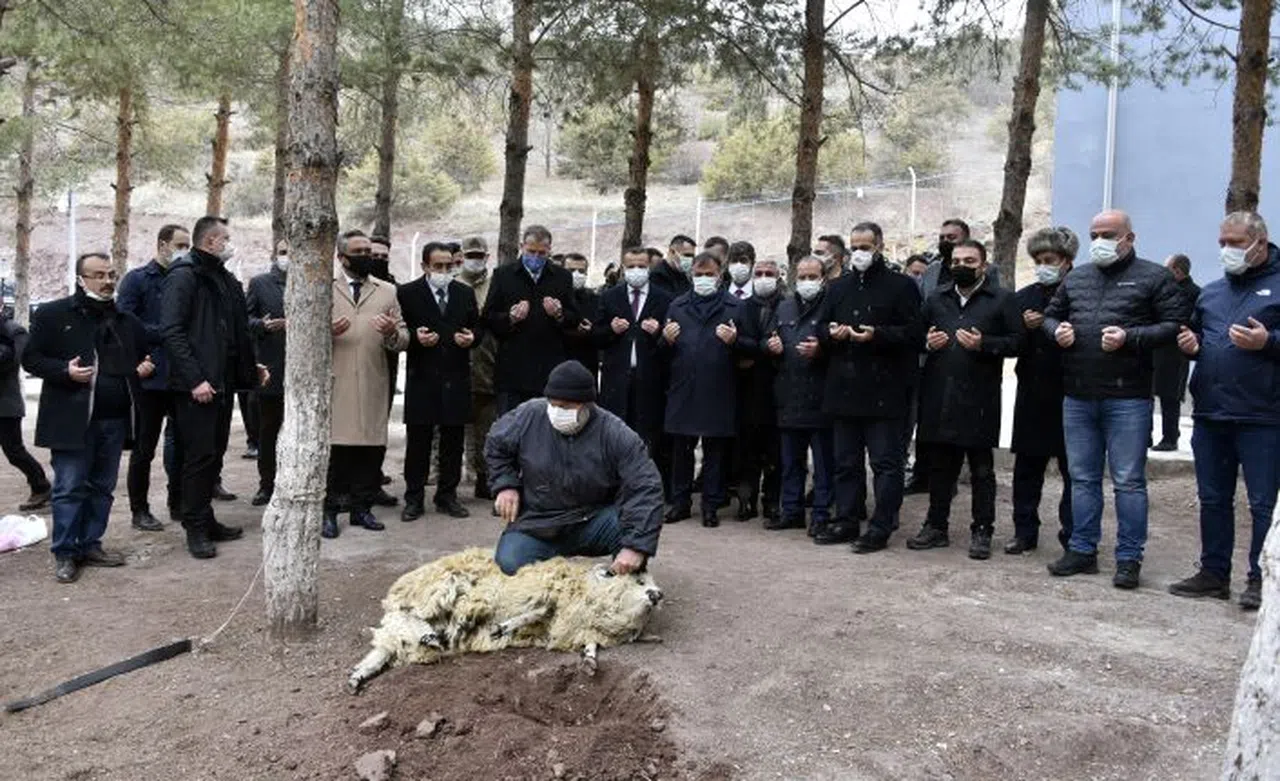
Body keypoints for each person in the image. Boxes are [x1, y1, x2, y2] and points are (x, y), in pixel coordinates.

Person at [1042, 209, 1183, 589]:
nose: (1100, 241)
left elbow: (1174, 325)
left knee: (1128, 481)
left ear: (1129, 238)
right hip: (1078, 395)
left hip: (1128, 398)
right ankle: (1083, 549)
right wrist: (1059, 331)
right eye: (1095, 234)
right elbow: (1049, 317)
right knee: (1083, 478)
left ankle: (1128, 558)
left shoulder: (1155, 277)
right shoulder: (1078, 278)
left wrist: (1130, 337)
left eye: (1108, 234)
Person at [1169, 212, 1280, 611]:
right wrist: (1191, 343)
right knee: (1213, 497)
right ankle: (1214, 573)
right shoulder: (1212, 292)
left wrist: (1268, 342)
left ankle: (1261, 579)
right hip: (1211, 413)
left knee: (1264, 503)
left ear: (1260, 244)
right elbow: (1199, 334)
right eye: (1222, 243)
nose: (1226, 251)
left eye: (1234, 243)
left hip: (1264, 415)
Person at [24, 252, 153, 583]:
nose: (108, 280)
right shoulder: (53, 314)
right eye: (98, 275)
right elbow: (31, 359)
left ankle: (90, 544)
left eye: (111, 274)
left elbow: (150, 346)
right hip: (71, 420)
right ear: (81, 279)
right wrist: (63, 371)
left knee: (102, 487)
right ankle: (66, 553)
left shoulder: (125, 320)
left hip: (114, 421)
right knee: (69, 487)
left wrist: (144, 365)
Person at [488, 360, 663, 576]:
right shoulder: (529, 415)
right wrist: (505, 484)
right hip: (538, 521)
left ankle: (625, 572)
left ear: (587, 404)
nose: (558, 412)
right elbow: (496, 444)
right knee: (509, 564)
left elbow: (646, 485)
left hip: (593, 519)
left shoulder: (615, 433)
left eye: (567, 407)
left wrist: (636, 547)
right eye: (553, 404)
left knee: (629, 530)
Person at [906, 239, 1023, 560]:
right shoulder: (936, 298)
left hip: (979, 399)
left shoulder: (1001, 300)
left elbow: (1017, 342)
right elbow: (914, 336)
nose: (961, 266)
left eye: (969, 261)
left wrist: (984, 344)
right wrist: (927, 342)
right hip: (939, 395)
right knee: (940, 468)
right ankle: (936, 526)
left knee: (981, 470)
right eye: (956, 261)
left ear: (983, 265)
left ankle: (982, 530)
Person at [162, 217, 267, 559]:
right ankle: (195, 527)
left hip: (222, 386)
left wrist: (251, 371)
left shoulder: (224, 280)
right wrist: (195, 379)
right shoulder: (184, 276)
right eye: (226, 238)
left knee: (214, 455)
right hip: (197, 387)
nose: (230, 244)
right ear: (209, 241)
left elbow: (236, 334)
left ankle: (206, 518)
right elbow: (173, 332)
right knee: (198, 457)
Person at [817, 222, 924, 553]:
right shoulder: (837, 288)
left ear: (879, 247)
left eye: (866, 246)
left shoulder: (901, 286)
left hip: (884, 390)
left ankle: (881, 525)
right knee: (846, 462)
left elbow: (913, 333)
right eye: (854, 247)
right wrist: (830, 333)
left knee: (885, 463)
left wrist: (876, 335)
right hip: (844, 388)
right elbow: (820, 326)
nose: (859, 253)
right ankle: (847, 519)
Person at [323, 230, 409, 539]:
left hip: (374, 380)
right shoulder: (324, 289)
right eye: (359, 251)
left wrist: (390, 332)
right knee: (338, 451)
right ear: (342, 258)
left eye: (369, 251)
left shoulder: (387, 291)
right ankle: (330, 511)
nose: (367, 257)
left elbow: (403, 339)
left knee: (370, 450)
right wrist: (326, 331)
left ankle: (362, 509)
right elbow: (303, 338)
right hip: (337, 380)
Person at [662, 252, 757, 527]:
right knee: (682, 449)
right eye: (699, 274)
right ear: (691, 275)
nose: (704, 279)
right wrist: (665, 340)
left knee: (715, 450)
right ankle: (679, 503)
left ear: (719, 275)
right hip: (683, 388)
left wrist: (736, 340)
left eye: (709, 274)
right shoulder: (677, 305)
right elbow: (662, 354)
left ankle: (710, 505)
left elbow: (753, 347)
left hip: (719, 387)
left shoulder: (735, 307)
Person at [1007, 227, 1077, 554]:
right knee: (1027, 470)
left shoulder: (1083, 291)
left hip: (1073, 394)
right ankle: (1024, 532)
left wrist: (1051, 325)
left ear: (1066, 260)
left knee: (1074, 473)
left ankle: (1074, 536)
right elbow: (1010, 343)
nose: (1042, 265)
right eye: (1037, 260)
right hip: (1032, 393)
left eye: (1048, 259)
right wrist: (1024, 327)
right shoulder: (1025, 296)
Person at [399, 241, 479, 521]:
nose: (444, 271)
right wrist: (415, 338)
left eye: (449, 266)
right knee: (418, 441)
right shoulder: (408, 293)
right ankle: (414, 498)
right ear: (425, 266)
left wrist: (471, 339)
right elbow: (399, 331)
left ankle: (447, 495)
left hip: (456, 376)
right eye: (438, 266)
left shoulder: (464, 293)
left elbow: (476, 327)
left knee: (452, 441)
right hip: (422, 376)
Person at [116, 224, 187, 530]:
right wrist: (169, 336)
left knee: (181, 443)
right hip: (149, 375)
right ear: (162, 244)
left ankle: (177, 501)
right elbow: (125, 325)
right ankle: (139, 510)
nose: (184, 251)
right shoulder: (137, 280)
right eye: (179, 245)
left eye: (187, 246)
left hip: (182, 375)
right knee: (145, 447)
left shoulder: (186, 280)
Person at [593, 247, 673, 497]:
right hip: (616, 379)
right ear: (623, 268)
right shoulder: (610, 297)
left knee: (648, 435)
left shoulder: (663, 298)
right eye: (631, 266)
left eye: (641, 266)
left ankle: (647, 490)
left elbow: (671, 343)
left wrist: (659, 332)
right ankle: (614, 489)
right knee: (615, 435)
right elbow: (595, 336)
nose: (636, 271)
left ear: (649, 267)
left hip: (651, 380)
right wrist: (610, 330)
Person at [481, 225, 579, 415]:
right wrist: (510, 318)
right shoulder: (504, 275)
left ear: (549, 250)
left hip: (549, 368)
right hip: (513, 369)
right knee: (511, 428)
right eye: (531, 251)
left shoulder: (562, 277)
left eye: (541, 253)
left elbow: (574, 318)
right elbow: (489, 317)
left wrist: (559, 314)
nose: (535, 257)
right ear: (522, 247)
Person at [766, 256, 831, 533]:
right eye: (802, 277)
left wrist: (822, 350)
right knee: (791, 462)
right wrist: (772, 346)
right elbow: (768, 338)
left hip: (821, 397)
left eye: (812, 276)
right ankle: (790, 511)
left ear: (823, 278)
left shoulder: (831, 305)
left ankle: (821, 515)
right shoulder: (784, 307)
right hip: (789, 395)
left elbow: (840, 345)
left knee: (824, 464)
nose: (807, 282)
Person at [736, 253, 784, 523]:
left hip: (778, 387)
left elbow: (785, 343)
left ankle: (772, 502)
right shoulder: (741, 307)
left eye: (770, 274)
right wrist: (763, 347)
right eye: (760, 273)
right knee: (748, 449)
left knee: (775, 450)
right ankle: (746, 500)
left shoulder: (787, 306)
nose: (764, 278)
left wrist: (756, 349)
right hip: (747, 387)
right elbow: (736, 343)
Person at [245, 239, 289, 507]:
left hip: (305, 372)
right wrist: (262, 324)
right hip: (271, 368)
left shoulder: (318, 282)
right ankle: (267, 484)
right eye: (284, 252)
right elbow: (245, 319)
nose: (288, 257)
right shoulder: (260, 283)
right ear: (275, 254)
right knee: (268, 430)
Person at [457, 235, 497, 499]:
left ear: (487, 257)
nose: (474, 260)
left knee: (487, 429)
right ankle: (445, 480)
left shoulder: (496, 286)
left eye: (479, 255)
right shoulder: (453, 284)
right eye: (470, 255)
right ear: (461, 256)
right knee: (451, 428)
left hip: (488, 365)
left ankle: (484, 478)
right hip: (457, 368)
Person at [0, 308, 51, 511]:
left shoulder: (15, 331)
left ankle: (41, 486)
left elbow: (11, 363)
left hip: (6, 403)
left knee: (14, 451)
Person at [1151, 253, 1200, 451]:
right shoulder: (1164, 290)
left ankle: (1170, 438)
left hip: (1176, 351)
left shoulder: (1194, 293)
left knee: (1170, 397)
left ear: (1177, 271)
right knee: (1148, 394)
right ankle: (1146, 437)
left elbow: (1193, 322)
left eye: (1167, 268)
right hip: (1157, 348)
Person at [369, 234, 400, 504]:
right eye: (373, 255)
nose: (378, 260)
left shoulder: (393, 288)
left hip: (385, 364)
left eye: (383, 257)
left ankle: (373, 479)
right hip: (351, 364)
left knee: (379, 424)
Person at [920, 219, 1001, 299]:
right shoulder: (932, 270)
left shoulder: (988, 271)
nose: (945, 241)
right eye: (942, 238)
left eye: (951, 237)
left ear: (966, 239)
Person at [562, 252, 601, 380]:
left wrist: (592, 331)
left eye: (581, 271)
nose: (576, 275)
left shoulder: (595, 300)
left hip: (587, 364)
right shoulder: (554, 299)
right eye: (571, 270)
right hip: (559, 362)